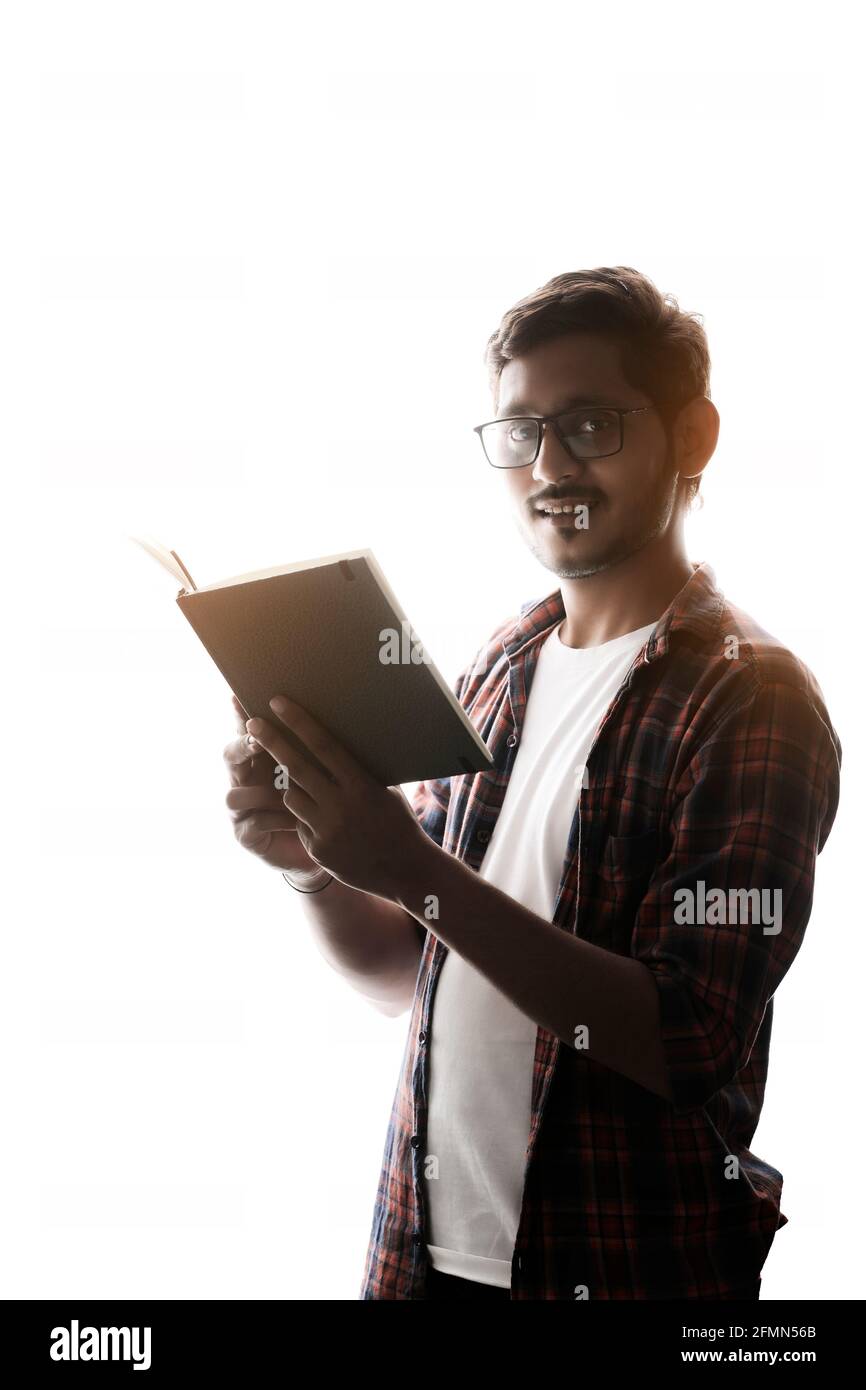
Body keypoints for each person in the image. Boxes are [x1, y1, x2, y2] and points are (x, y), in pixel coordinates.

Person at [222, 267, 841, 1300]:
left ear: (691, 437)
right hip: (420, 1259)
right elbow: (406, 978)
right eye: (518, 434)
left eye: (589, 423)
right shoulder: (499, 662)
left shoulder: (751, 696)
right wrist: (319, 869)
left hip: (620, 1270)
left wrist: (409, 867)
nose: (548, 464)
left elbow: (685, 1035)